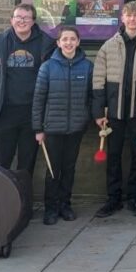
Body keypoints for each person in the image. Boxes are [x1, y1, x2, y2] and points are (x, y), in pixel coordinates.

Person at [91, 1, 136, 218]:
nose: (133, 19)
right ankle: (113, 199)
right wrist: (99, 112)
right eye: (129, 15)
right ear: (122, 18)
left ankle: (134, 198)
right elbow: (98, 80)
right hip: (114, 112)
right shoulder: (108, 46)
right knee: (114, 156)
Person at [0, 3, 56, 176]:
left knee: (27, 163)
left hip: (32, 113)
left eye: (26, 18)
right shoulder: (0, 43)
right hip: (4, 111)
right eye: (18, 17)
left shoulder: (46, 44)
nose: (21, 21)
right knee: (1, 161)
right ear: (11, 20)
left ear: (33, 21)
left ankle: (23, 201)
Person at [32, 26, 93, 225]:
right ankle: (50, 208)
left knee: (69, 169)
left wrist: (87, 118)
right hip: (52, 128)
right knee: (52, 170)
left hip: (75, 128)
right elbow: (38, 99)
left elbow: (91, 97)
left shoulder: (87, 67)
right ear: (58, 43)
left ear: (78, 42)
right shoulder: (47, 67)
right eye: (64, 39)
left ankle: (65, 205)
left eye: (72, 39)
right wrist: (38, 129)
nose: (68, 43)